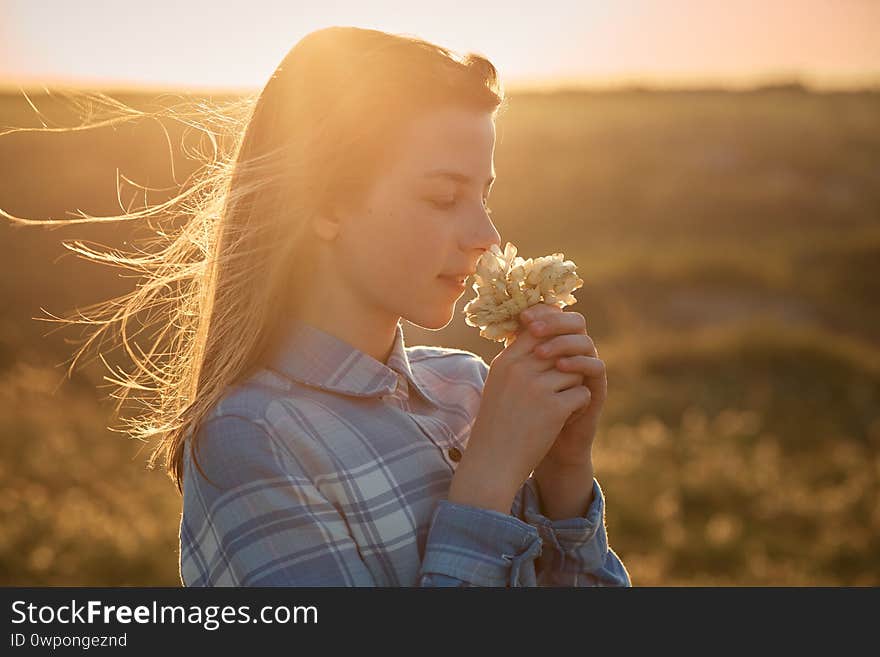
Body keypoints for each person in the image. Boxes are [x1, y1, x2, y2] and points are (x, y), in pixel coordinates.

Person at [7, 26, 630, 586]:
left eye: (484, 195)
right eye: (444, 198)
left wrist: (563, 474)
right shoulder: (250, 439)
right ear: (327, 203)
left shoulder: (468, 388)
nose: (487, 235)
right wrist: (489, 480)